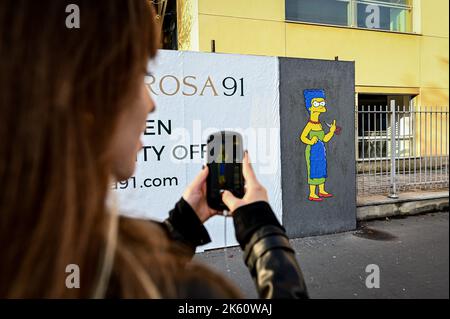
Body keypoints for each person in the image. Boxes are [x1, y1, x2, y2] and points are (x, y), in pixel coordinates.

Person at [0, 0, 308, 298]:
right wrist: (262, 231)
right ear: (81, 92)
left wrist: (182, 226)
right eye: (138, 75)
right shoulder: (189, 290)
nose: (150, 102)